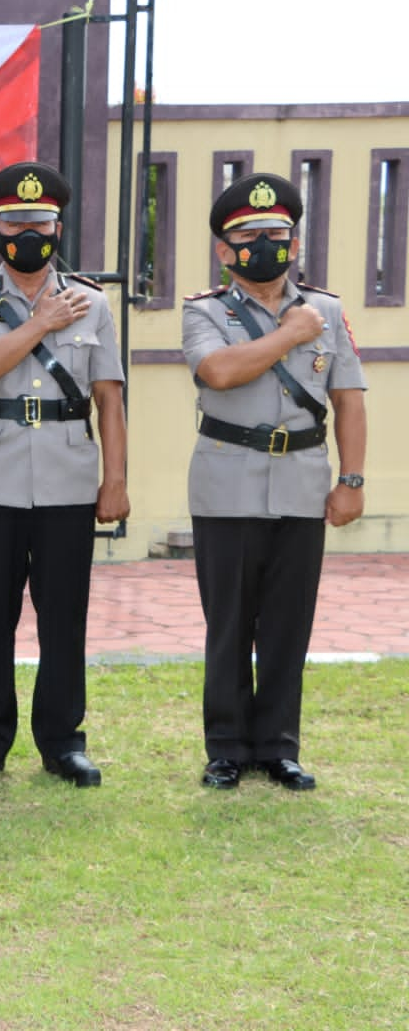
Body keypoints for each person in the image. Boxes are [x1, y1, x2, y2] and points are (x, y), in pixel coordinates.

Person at [0, 162, 130, 788]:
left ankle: (62, 740)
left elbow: (109, 397)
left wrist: (116, 480)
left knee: (63, 614)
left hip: (69, 476)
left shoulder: (92, 302)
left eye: (40, 222)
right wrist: (40, 323)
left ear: (58, 225)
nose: (29, 232)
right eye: (15, 222)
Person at [184, 172, 367, 791]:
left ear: (294, 240)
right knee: (230, 623)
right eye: (248, 235)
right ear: (223, 250)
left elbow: (349, 399)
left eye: (277, 233)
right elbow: (219, 371)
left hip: (303, 483)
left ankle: (279, 747)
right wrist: (290, 335)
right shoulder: (204, 311)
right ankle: (227, 749)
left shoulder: (330, 310)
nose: (265, 244)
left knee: (289, 622)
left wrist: (352, 479)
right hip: (225, 482)